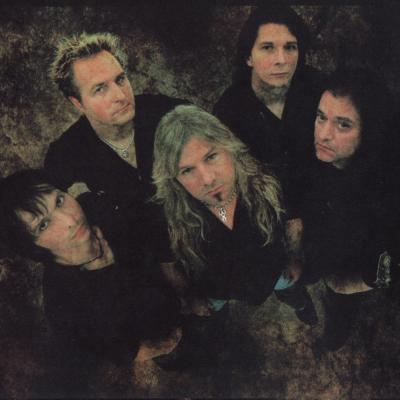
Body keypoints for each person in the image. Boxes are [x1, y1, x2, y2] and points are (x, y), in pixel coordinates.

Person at [0, 169, 182, 397]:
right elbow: (120, 349)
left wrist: (175, 277)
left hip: (171, 295)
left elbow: (152, 225)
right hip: (155, 331)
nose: (70, 220)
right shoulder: (62, 302)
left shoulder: (98, 207)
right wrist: (162, 345)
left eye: (59, 201)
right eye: (44, 225)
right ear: (33, 247)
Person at [153, 104, 317, 325]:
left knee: (291, 291)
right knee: (216, 320)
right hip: (218, 291)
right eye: (187, 170)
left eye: (211, 157)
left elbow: (293, 221)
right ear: (174, 179)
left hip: (274, 272)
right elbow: (168, 264)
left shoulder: (269, 179)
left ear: (228, 147)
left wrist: (295, 257)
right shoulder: (167, 216)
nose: (208, 179)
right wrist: (190, 296)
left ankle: (301, 304)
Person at [298, 67, 400, 352]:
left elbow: (391, 264)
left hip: (352, 266)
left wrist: (351, 284)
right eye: (321, 117)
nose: (323, 134)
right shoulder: (319, 156)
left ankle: (334, 338)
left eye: (343, 125)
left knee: (341, 309)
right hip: (321, 250)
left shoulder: (385, 194)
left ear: (369, 132)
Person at [45, 32, 185, 208]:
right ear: (78, 103)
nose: (120, 96)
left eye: (120, 79)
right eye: (100, 89)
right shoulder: (65, 155)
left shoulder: (167, 112)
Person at [213, 4, 323, 215]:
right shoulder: (230, 110)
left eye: (290, 47)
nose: (281, 60)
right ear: (248, 57)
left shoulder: (317, 88)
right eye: (267, 48)